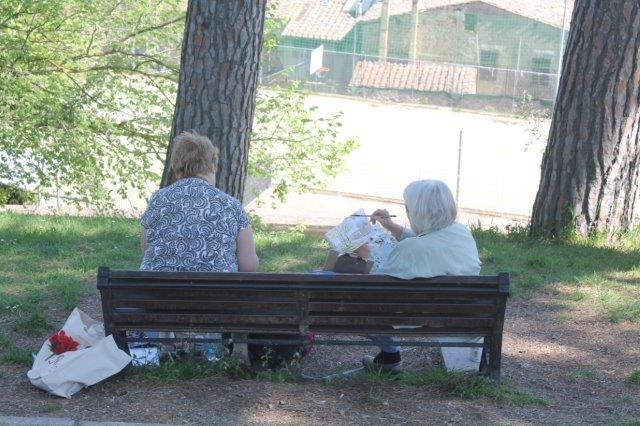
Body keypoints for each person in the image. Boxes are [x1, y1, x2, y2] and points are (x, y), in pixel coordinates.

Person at [358, 179, 481, 373]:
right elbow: (430, 242)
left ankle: (390, 356)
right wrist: (391, 226)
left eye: (408, 208)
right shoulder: (461, 233)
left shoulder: (410, 249)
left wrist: (364, 256)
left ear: (418, 211)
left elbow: (376, 289)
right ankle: (389, 358)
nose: (407, 213)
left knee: (357, 301)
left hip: (411, 318)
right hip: (461, 312)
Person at [140, 131, 258, 273]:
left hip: (156, 287)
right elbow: (248, 266)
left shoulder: (158, 200)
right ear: (213, 165)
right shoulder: (230, 205)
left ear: (176, 166)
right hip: (217, 287)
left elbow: (146, 249)